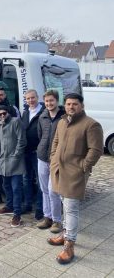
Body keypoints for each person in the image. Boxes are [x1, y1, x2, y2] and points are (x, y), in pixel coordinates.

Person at [47, 93, 103, 264]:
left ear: (82, 106)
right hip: (58, 170)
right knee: (63, 202)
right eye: (69, 104)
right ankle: (65, 234)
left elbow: (96, 150)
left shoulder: (91, 124)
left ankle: (69, 245)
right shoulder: (63, 121)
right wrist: (53, 158)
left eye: (75, 104)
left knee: (71, 208)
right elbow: (56, 141)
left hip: (74, 173)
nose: (71, 107)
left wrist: (83, 167)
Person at [36, 90, 64, 233]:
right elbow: (40, 135)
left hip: (56, 159)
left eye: (51, 101)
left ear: (57, 101)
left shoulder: (64, 118)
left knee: (54, 191)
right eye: (46, 101)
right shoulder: (43, 116)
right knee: (44, 189)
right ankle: (47, 217)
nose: (49, 104)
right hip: (42, 156)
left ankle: (57, 220)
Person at [0, 105, 26, 227]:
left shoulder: (16, 121)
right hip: (3, 160)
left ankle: (17, 214)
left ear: (9, 113)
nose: (2, 116)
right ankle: (9, 206)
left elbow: (21, 140)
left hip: (15, 160)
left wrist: (16, 156)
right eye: (0, 114)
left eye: (4, 113)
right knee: (6, 185)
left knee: (16, 188)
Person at [21, 89, 45, 220]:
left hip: (38, 153)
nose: (31, 100)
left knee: (40, 182)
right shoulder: (25, 112)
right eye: (28, 98)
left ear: (37, 97)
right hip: (26, 152)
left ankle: (40, 209)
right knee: (26, 179)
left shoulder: (43, 112)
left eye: (33, 98)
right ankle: (28, 204)